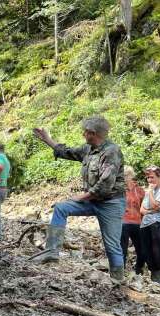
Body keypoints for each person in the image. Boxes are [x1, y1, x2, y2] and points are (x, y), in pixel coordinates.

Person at [31, 116, 127, 282]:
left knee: (112, 245)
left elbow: (105, 185)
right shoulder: (88, 149)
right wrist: (47, 139)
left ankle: (118, 280)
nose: (83, 134)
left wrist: (81, 197)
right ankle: (51, 251)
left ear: (93, 133)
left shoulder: (111, 151)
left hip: (110, 203)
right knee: (61, 208)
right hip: (92, 200)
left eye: (85, 132)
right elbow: (67, 152)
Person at [120, 166, 146, 275]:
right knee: (122, 249)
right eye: (123, 175)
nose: (125, 178)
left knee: (142, 249)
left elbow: (144, 208)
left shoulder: (139, 190)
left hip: (137, 222)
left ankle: (139, 270)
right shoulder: (118, 190)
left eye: (127, 175)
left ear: (131, 176)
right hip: (122, 222)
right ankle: (121, 271)